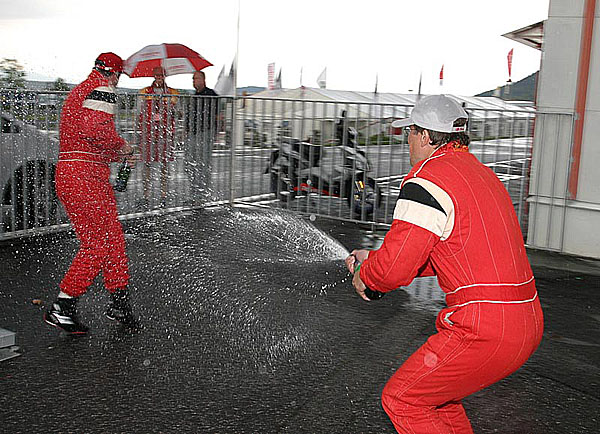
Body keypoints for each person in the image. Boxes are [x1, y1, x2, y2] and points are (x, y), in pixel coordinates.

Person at [345, 95, 543, 433]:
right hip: (525, 320)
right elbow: (446, 251)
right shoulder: (481, 175)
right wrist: (374, 260)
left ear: (424, 135)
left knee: (403, 399)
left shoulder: (428, 179)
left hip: (484, 326)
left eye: (409, 132)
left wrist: (369, 277)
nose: (408, 142)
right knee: (436, 400)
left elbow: (395, 270)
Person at [44, 52, 138, 334]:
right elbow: (94, 129)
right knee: (97, 244)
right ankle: (63, 307)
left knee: (112, 238)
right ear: (115, 74)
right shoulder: (102, 88)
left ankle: (119, 302)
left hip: (80, 174)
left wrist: (117, 154)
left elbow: (86, 140)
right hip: (85, 178)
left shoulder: (80, 91)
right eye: (120, 77)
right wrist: (122, 147)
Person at [139, 66, 179, 207]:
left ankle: (163, 194)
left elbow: (175, 112)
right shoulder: (144, 92)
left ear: (165, 77)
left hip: (165, 134)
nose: (159, 78)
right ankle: (146, 194)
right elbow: (140, 114)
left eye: (161, 76)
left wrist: (167, 108)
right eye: (157, 76)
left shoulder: (173, 93)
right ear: (153, 76)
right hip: (148, 133)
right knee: (147, 165)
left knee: (164, 165)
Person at [184, 70, 218, 197]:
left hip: (205, 133)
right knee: (190, 163)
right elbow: (190, 115)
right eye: (193, 79)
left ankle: (202, 193)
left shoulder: (211, 94)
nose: (194, 81)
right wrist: (186, 130)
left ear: (203, 80)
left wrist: (215, 132)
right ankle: (194, 190)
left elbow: (218, 114)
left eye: (196, 78)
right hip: (192, 134)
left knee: (203, 163)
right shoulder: (193, 96)